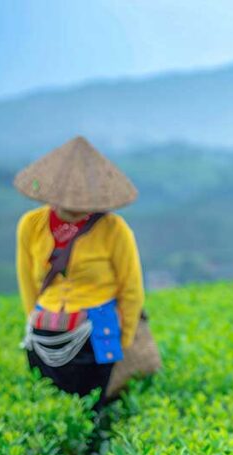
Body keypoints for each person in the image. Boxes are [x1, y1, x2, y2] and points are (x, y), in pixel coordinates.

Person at [14, 136, 144, 413]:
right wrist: (33, 318)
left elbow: (131, 288)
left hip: (97, 331)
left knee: (95, 405)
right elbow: (27, 280)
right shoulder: (31, 225)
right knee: (52, 409)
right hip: (44, 335)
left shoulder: (114, 229)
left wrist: (127, 337)